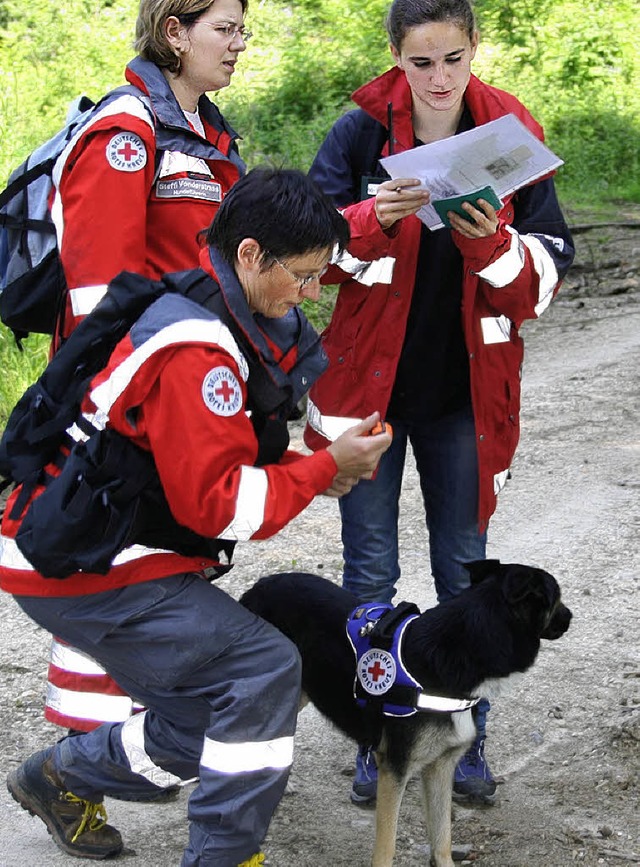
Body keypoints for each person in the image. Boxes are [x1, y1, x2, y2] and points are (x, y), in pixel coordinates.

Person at [1, 168, 393, 866]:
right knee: (266, 665)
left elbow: (230, 458)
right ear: (248, 254)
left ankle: (61, 777)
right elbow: (221, 504)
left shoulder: (225, 312)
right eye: (303, 276)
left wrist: (321, 462)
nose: (311, 294)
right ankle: (224, 856)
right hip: (87, 563)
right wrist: (324, 470)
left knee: (208, 714)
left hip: (101, 550)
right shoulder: (196, 347)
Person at [304, 0, 575, 806]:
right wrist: (364, 221)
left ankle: (462, 742)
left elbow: (546, 278)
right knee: (369, 574)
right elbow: (307, 253)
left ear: (472, 49)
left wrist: (491, 241)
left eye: (452, 59)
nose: (438, 79)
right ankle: (376, 738)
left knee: (464, 570)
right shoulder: (359, 134)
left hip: (466, 397)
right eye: (420, 63)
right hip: (371, 400)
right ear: (395, 56)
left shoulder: (509, 135)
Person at [45, 0, 251, 742]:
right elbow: (101, 298)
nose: (237, 44)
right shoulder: (126, 132)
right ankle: (76, 771)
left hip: (184, 399)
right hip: (125, 407)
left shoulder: (210, 135)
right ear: (174, 31)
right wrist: (135, 412)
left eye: (241, 29)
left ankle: (128, 745)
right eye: (223, 28)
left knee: (165, 573)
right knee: (104, 571)